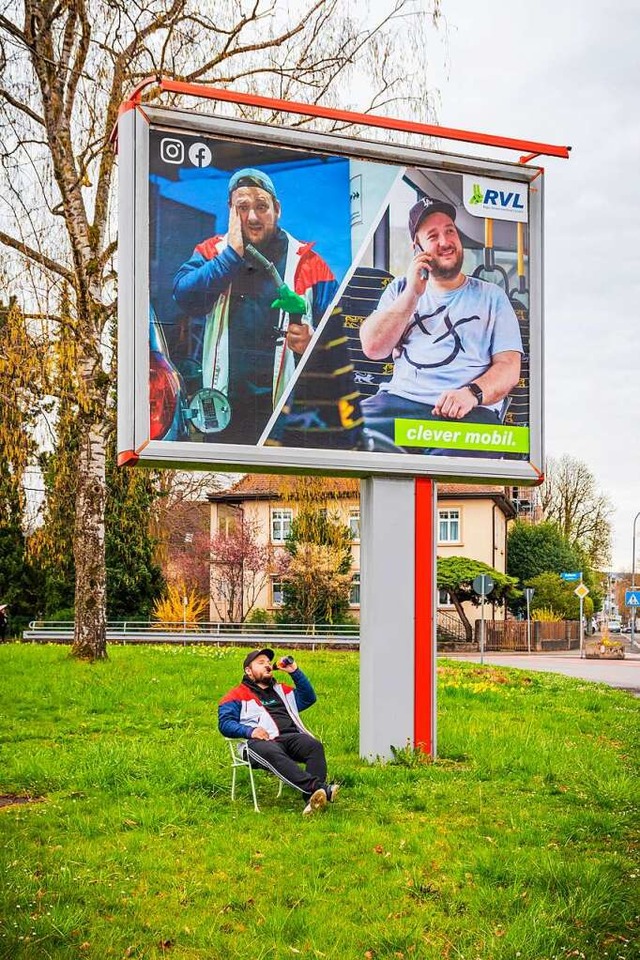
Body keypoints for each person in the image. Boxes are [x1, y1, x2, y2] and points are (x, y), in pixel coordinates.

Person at [173, 168, 338, 444]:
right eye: (242, 208)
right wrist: (231, 256)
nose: (252, 217)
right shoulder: (213, 253)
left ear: (277, 209)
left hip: (285, 425)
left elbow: (344, 343)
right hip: (223, 420)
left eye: (261, 207)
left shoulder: (309, 263)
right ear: (230, 211)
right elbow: (183, 296)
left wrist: (314, 344)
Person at [359, 196, 523, 455]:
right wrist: (412, 294)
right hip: (400, 405)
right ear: (417, 247)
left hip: (470, 410)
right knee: (344, 436)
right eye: (433, 236)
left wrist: (472, 393)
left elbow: (509, 368)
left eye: (450, 231)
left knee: (449, 465)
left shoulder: (492, 297)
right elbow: (373, 348)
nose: (445, 242)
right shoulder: (399, 290)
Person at [218, 648, 339, 815]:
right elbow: (225, 724)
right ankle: (318, 789)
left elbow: (308, 698)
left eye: (268, 662)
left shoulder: (282, 690)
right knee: (271, 750)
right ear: (248, 670)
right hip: (259, 743)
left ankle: (312, 801)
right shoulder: (235, 695)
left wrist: (294, 672)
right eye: (261, 663)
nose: (267, 665)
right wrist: (250, 731)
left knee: (314, 745)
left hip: (290, 737)